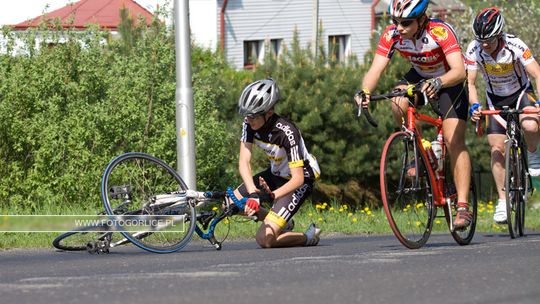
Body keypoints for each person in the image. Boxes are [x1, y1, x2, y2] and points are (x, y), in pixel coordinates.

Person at [354, 0, 473, 229]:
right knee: (397, 101)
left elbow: (460, 71)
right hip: (419, 76)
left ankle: (463, 207)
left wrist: (439, 82)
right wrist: (365, 91)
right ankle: (420, 150)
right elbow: (376, 69)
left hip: (449, 80)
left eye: (406, 22)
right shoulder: (392, 35)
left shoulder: (440, 31)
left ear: (421, 19)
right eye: (395, 21)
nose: (398, 27)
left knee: (453, 139)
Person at [465, 7, 540, 224]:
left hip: (521, 94)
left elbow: (536, 73)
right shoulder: (474, 50)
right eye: (481, 40)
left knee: (531, 126)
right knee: (496, 148)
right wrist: (475, 105)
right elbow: (470, 83)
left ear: (499, 35)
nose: (484, 44)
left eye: (489, 40)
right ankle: (502, 201)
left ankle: (533, 152)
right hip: (494, 99)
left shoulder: (515, 45)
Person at [232, 78, 322, 248]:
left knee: (265, 240)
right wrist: (253, 195)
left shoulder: (287, 132)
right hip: (276, 174)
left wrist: (271, 196)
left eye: (253, 116)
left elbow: (298, 179)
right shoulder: (249, 124)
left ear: (269, 113)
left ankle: (308, 237)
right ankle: (284, 223)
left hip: (299, 180)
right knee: (231, 204)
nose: (248, 120)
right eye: (246, 115)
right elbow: (244, 161)